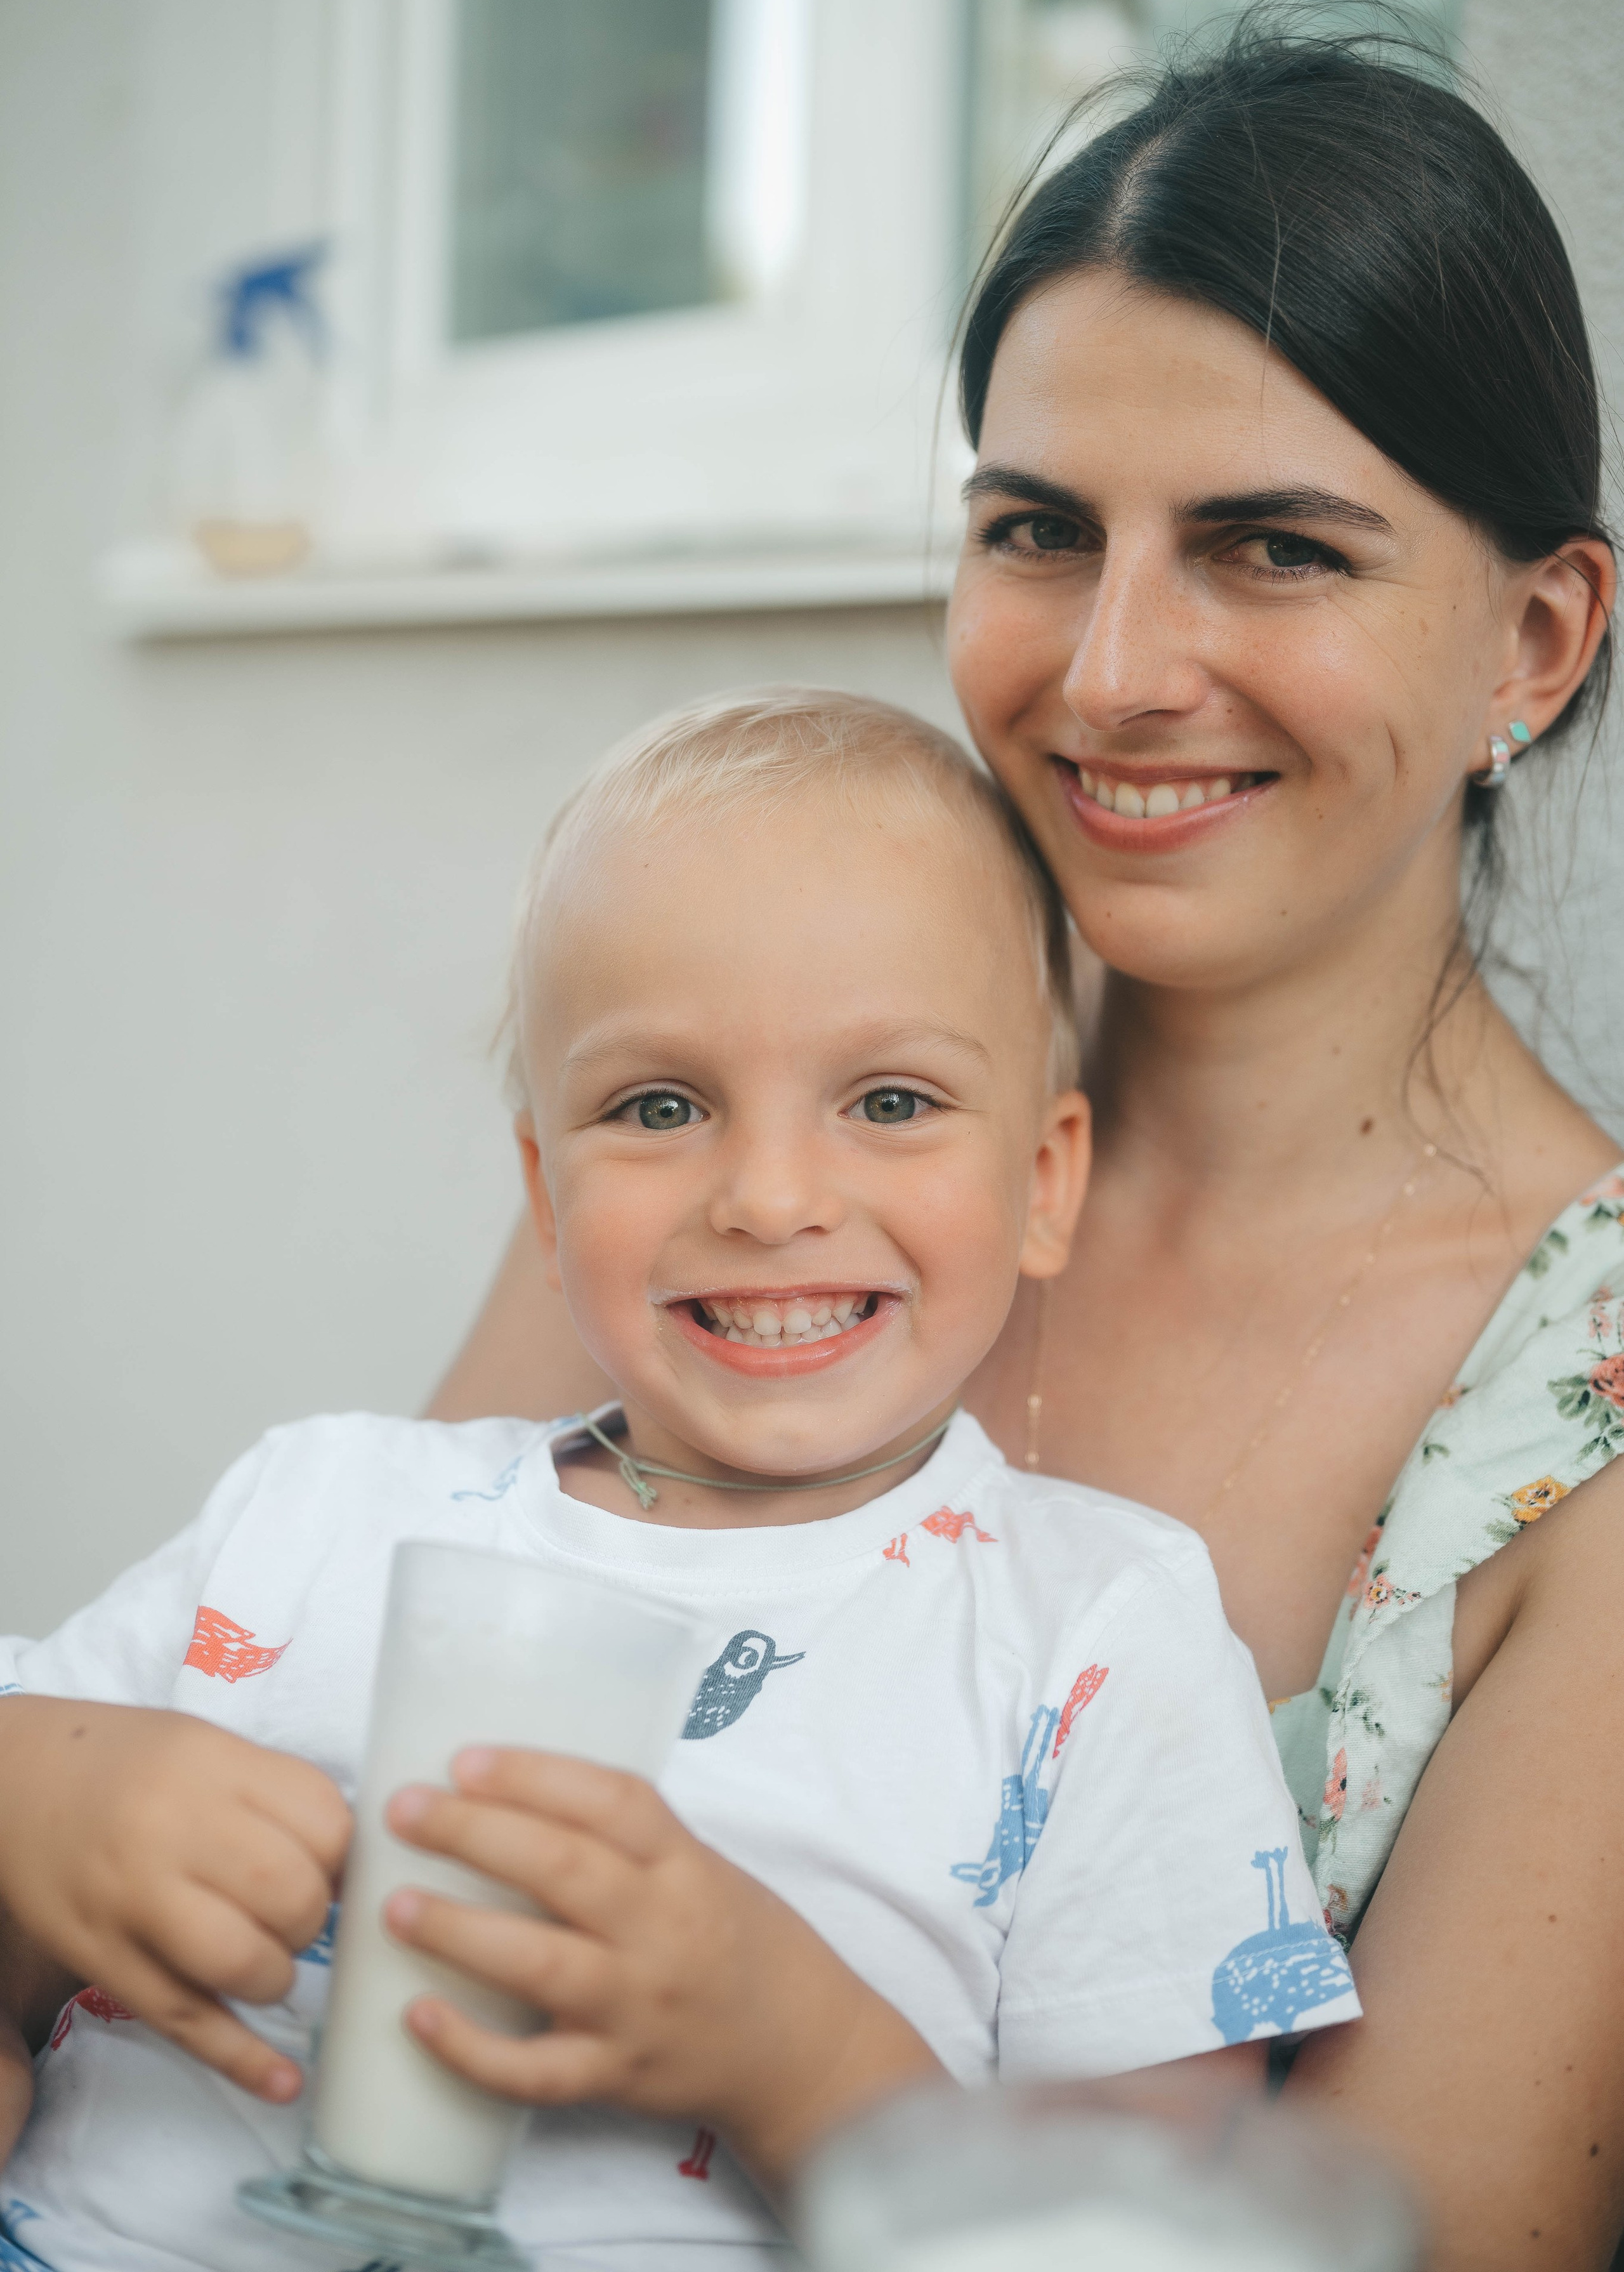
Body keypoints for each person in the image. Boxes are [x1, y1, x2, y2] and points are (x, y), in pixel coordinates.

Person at [428, 20, 1624, 2271]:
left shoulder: (1587, 1421)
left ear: (1535, 638)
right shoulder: (761, 1124)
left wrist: (790, 2047)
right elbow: (343, 1740)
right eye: (1039, 531)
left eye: (1273, 547)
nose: (1115, 666)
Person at [0, 693, 1356, 2272]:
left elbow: (1146, 2240)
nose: (771, 1197)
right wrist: (38, 1800)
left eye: (890, 1101)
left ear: (1041, 1179)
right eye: (659, 1107)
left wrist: (784, 2042)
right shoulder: (313, 1511)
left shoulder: (1093, 1635)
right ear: (545, 1193)